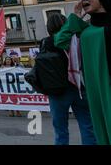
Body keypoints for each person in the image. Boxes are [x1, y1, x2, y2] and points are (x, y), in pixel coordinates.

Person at [55, 0, 111, 145]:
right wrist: (75, 16)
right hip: (95, 89)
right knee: (101, 129)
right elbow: (60, 40)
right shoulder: (85, 30)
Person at [42, 13, 96, 145]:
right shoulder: (77, 39)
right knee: (87, 126)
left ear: (48, 27)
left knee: (60, 130)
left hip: (57, 91)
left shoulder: (47, 42)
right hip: (79, 86)